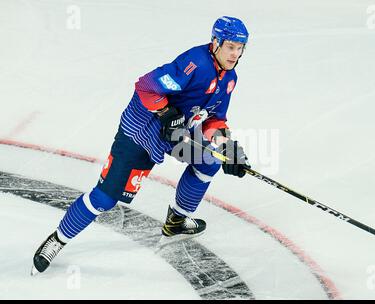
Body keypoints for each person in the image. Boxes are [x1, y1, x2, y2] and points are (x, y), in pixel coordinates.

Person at [31, 16, 251, 275]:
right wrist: (166, 112)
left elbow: (214, 119)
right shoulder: (195, 63)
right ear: (216, 42)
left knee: (210, 160)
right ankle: (57, 239)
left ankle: (176, 222)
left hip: (176, 134)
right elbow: (146, 86)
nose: (235, 54)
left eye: (240, 48)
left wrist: (226, 147)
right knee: (105, 198)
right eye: (230, 47)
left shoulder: (230, 78)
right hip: (142, 132)